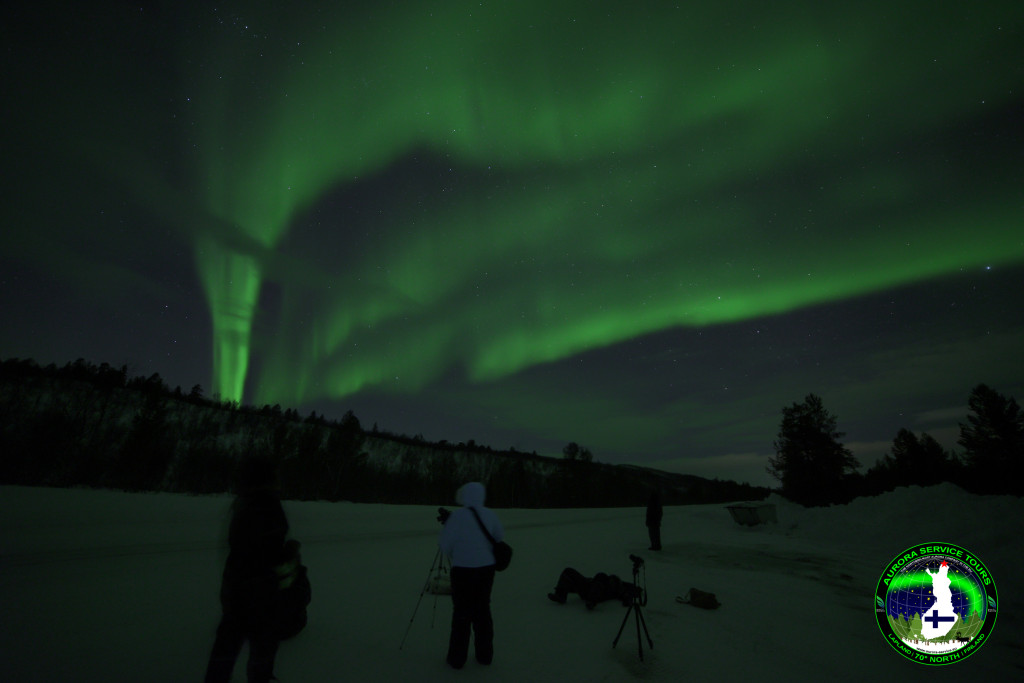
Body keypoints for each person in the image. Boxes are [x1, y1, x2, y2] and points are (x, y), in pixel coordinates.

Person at [204, 457, 289, 683]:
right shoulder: (267, 505)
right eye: (275, 476)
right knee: (262, 649)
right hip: (259, 593)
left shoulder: (244, 502)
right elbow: (267, 553)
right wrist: (287, 554)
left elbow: (244, 547)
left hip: (236, 587)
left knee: (227, 645)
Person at [438, 482, 505, 669]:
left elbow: (444, 546)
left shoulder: (457, 517)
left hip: (462, 571)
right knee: (482, 611)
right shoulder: (490, 514)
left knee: (461, 614)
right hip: (486, 571)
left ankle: (457, 659)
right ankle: (485, 656)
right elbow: (499, 537)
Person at [547, 568, 640, 609]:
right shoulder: (610, 581)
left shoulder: (617, 587)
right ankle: (561, 595)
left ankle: (592, 601)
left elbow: (627, 593)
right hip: (588, 587)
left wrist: (628, 598)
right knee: (568, 571)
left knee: (600, 578)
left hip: (596, 594)